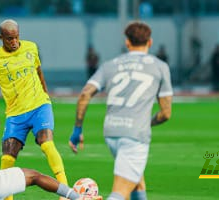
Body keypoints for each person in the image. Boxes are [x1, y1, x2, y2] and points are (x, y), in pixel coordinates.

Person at [69, 21, 173, 200]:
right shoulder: (160, 66)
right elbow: (165, 113)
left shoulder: (111, 65)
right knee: (121, 191)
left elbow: (85, 94)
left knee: (136, 181)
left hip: (111, 132)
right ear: (150, 42)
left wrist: (78, 129)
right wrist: (145, 123)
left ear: (127, 42)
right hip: (134, 136)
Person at [0, 19, 68, 200]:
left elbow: (39, 72)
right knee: (7, 159)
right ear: (0, 38)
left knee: (47, 143)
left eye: (17, 37)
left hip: (39, 106)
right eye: (9, 39)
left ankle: (64, 192)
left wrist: (46, 96)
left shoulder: (31, 48)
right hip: (15, 114)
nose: (14, 42)